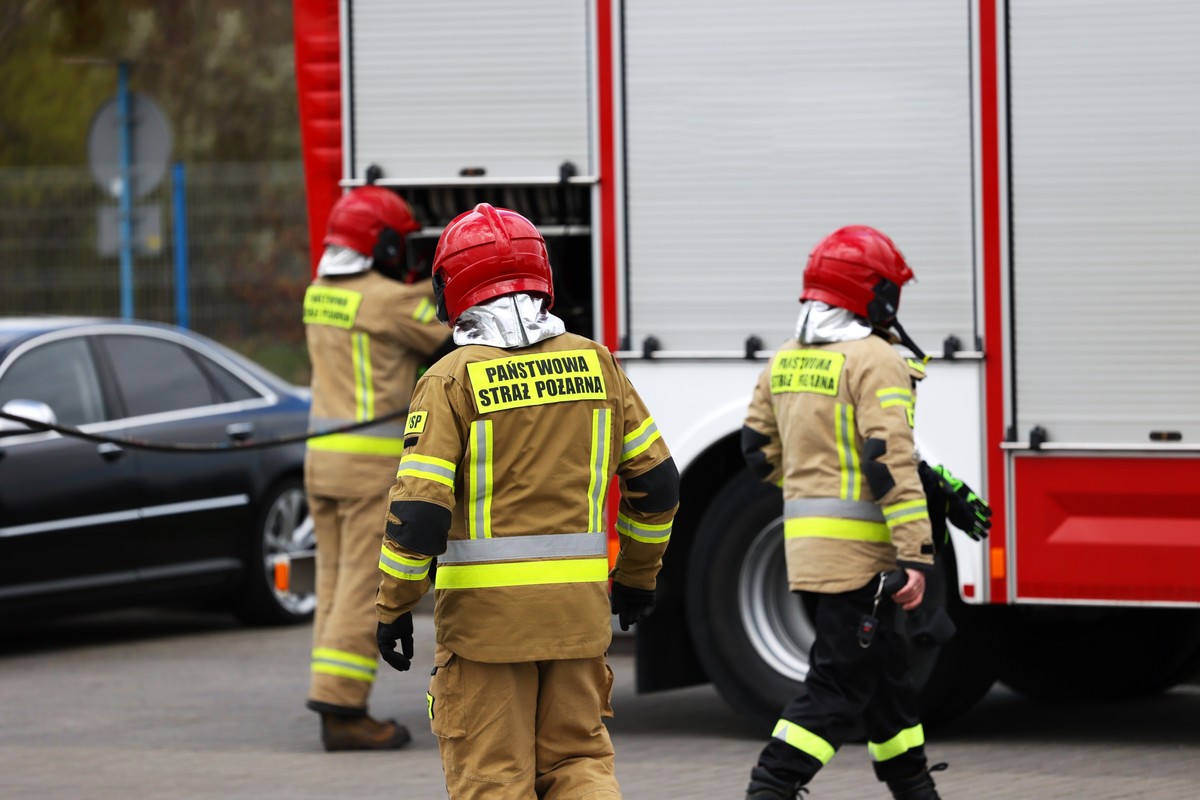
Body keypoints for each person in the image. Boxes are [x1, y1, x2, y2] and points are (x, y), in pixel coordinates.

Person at [374, 203, 678, 799]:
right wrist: (638, 579)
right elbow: (658, 484)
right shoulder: (597, 364)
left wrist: (392, 607)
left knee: (494, 782)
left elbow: (417, 517)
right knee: (580, 767)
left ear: (452, 286)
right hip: (579, 622)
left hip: (487, 634)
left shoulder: (450, 379)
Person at [739, 226, 987, 800]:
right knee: (838, 687)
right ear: (872, 295)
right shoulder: (875, 359)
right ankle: (770, 788)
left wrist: (811, 494)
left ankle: (915, 789)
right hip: (865, 564)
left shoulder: (785, 360)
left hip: (808, 556)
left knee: (888, 686)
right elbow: (888, 462)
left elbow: (757, 452)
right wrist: (917, 557)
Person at [302, 185, 454, 751]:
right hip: (368, 468)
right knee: (366, 586)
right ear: (383, 244)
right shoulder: (388, 300)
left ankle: (329, 690)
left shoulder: (319, 292)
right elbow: (450, 322)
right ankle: (343, 711)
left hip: (322, 464)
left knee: (334, 582)